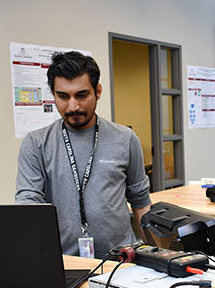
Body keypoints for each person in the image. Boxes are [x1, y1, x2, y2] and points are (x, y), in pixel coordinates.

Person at [16, 51, 151, 258]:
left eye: (81, 95)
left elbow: (141, 203)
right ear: (53, 94)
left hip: (121, 262)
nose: (73, 106)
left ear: (98, 91)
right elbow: (29, 206)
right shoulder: (36, 143)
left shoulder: (125, 138)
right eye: (63, 96)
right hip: (64, 263)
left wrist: (156, 258)